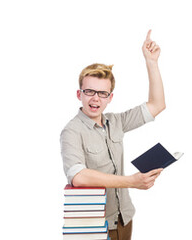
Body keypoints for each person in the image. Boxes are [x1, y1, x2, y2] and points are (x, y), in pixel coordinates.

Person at [60, 30, 167, 240]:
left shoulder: (116, 122)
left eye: (102, 93)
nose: (95, 99)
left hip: (124, 218)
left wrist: (151, 62)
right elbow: (78, 177)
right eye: (89, 91)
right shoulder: (71, 131)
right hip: (93, 222)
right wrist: (132, 181)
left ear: (110, 97)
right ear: (79, 94)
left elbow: (157, 104)